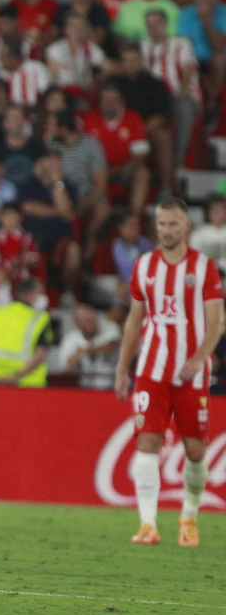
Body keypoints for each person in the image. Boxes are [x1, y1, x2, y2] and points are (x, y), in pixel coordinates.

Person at [114, 199, 223, 547]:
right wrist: (122, 368)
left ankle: (188, 517)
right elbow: (134, 320)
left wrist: (200, 357)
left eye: (174, 224)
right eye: (162, 224)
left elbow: (216, 321)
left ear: (186, 226)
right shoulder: (143, 265)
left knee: (194, 451)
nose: (167, 230)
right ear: (156, 226)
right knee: (148, 441)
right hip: (151, 369)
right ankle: (148, 524)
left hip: (192, 374)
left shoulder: (204, 267)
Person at [0, 278, 53, 387]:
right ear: (28, 295)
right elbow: (40, 355)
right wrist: (15, 377)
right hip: (30, 386)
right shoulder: (40, 319)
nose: (44, 297)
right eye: (41, 293)